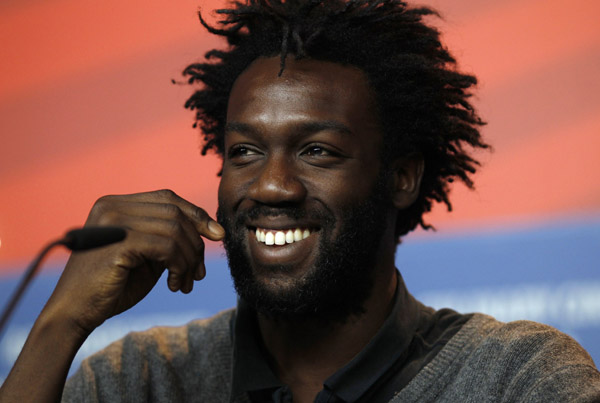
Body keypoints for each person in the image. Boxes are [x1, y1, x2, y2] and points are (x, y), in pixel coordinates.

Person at [1, 0, 599, 401]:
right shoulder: (139, 380)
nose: (269, 187)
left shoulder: (516, 378)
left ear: (402, 177)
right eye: (244, 152)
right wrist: (60, 326)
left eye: (316, 152)